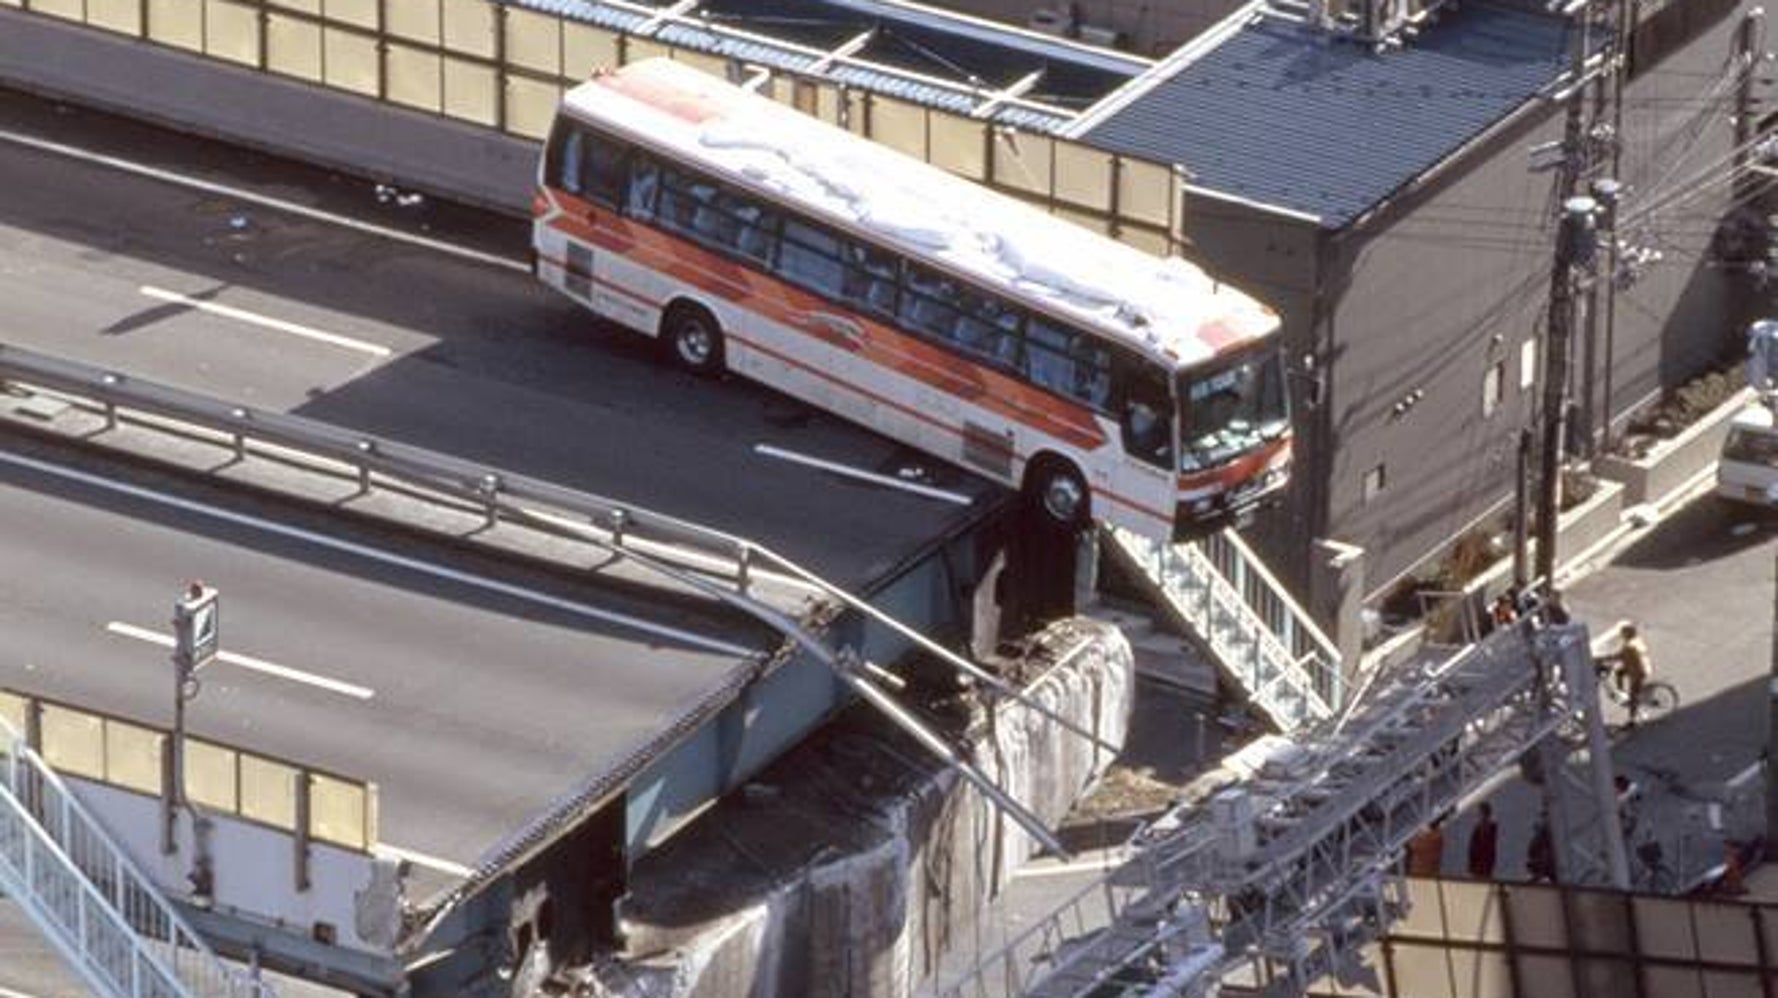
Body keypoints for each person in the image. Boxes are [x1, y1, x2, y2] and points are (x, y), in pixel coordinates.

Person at [1599, 622, 1653, 727]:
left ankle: (1633, 719)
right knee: (1619, 673)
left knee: (1634, 696)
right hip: (1639, 666)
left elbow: (1617, 656)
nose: (1621, 635)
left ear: (1627, 633)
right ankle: (1621, 691)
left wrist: (1601, 658)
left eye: (1623, 633)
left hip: (1638, 672)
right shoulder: (1636, 640)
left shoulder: (1629, 646)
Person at [1467, 802, 1500, 879]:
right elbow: (1472, 848)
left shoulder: (1490, 828)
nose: (1478, 815)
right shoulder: (1479, 827)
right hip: (1478, 864)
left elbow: (1489, 848)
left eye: (1479, 813)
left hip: (1484, 864)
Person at [1526, 811, 1555, 883]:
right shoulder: (1539, 837)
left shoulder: (1549, 835)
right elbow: (1532, 852)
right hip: (1543, 868)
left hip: (1549, 869)